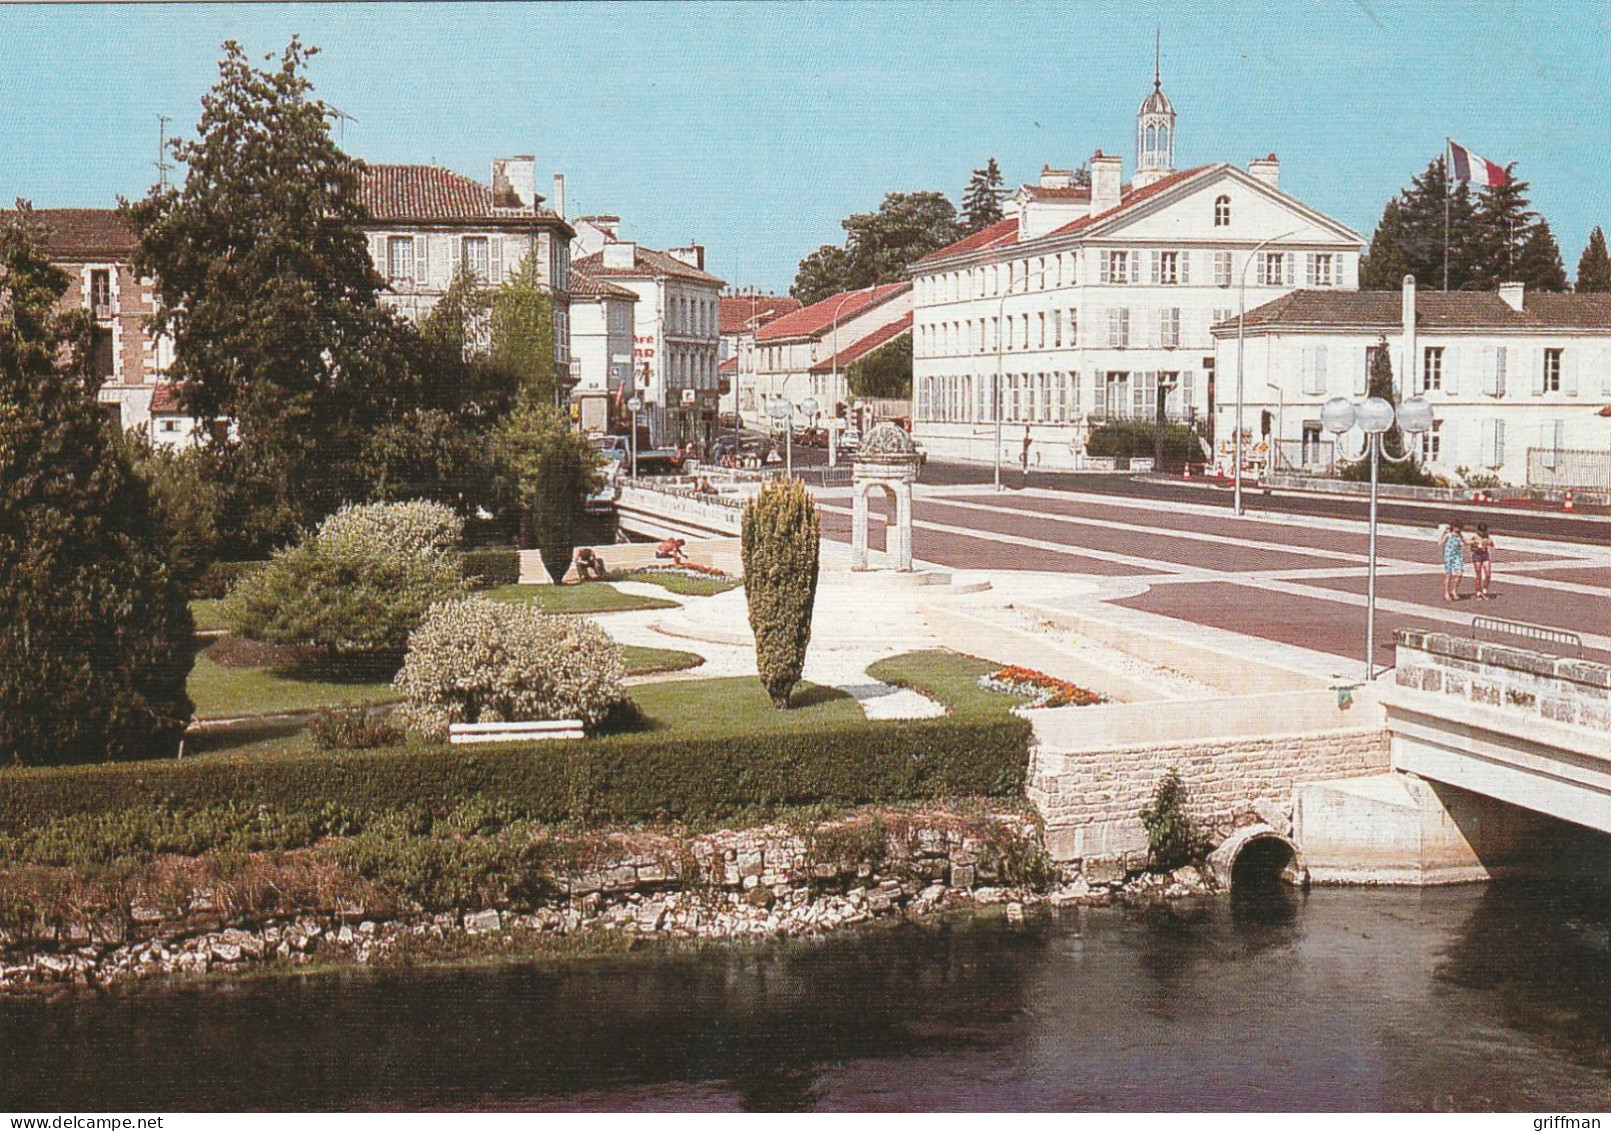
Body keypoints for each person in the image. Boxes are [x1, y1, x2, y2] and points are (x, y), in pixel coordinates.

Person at [1439, 521, 1467, 601]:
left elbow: (1465, 542)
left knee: (1459, 573)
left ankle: (1454, 590)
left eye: (1459, 528)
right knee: (1449, 574)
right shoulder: (1449, 535)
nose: (1458, 529)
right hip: (1449, 556)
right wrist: (1443, 534)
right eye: (1457, 527)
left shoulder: (1460, 536)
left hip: (1457, 556)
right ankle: (1446, 592)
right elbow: (1440, 543)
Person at [1470, 523, 1495, 599]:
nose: (1483, 533)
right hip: (1477, 555)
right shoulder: (1475, 537)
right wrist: (1477, 547)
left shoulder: (1487, 537)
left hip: (1485, 555)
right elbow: (1472, 549)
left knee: (1488, 573)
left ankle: (1485, 589)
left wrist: (1489, 543)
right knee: (1479, 575)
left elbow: (1492, 544)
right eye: (1481, 531)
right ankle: (1478, 591)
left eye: (1484, 531)